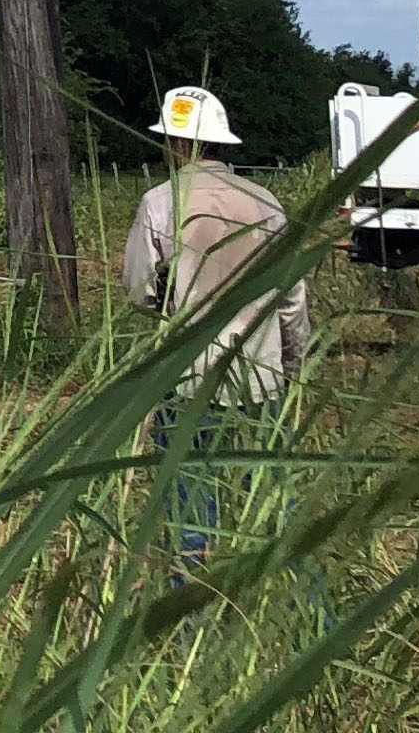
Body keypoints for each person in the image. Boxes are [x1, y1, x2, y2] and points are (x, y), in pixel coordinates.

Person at [122, 85, 312, 564]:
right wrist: (292, 360)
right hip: (260, 371)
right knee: (269, 500)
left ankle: (190, 612)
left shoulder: (161, 202)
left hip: (187, 374)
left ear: (179, 144)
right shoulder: (265, 201)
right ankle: (288, 597)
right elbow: (292, 297)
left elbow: (139, 289)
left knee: (189, 506)